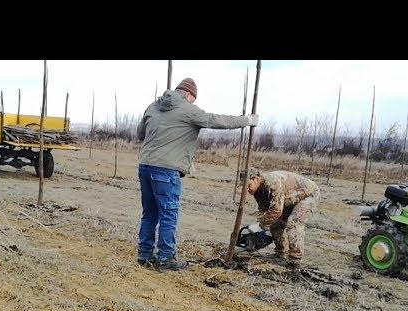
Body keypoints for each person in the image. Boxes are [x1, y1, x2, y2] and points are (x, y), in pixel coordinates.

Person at [136, 78, 258, 271]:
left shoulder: (153, 106)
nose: (192, 102)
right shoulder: (188, 109)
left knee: (149, 213)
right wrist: (246, 121)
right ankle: (166, 259)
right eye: (193, 99)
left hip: (145, 166)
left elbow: (140, 134)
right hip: (166, 171)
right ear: (188, 94)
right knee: (168, 214)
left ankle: (144, 256)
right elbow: (215, 120)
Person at [245, 168, 320, 267]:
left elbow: (276, 210)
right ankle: (280, 253)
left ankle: (295, 260)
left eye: (248, 185)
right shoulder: (257, 191)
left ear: (256, 179)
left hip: (308, 194)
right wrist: (259, 228)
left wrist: (261, 225)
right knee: (275, 225)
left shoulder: (273, 182)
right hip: (288, 198)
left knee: (293, 223)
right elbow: (264, 210)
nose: (247, 190)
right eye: (244, 188)